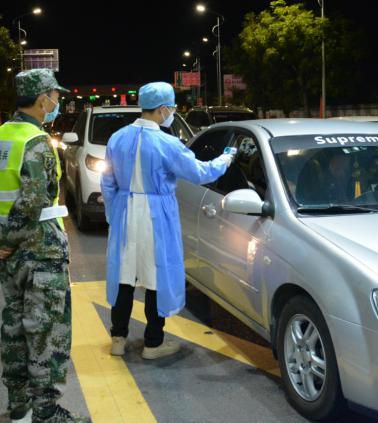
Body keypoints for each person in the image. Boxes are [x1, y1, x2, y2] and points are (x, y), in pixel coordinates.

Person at [101, 82, 234, 360]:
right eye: (172, 108)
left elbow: (108, 182)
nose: (172, 112)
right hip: (156, 215)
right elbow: (200, 173)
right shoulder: (168, 144)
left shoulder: (117, 139)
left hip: (125, 212)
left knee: (124, 275)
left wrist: (114, 216)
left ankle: (118, 338)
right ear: (162, 109)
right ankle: (153, 343)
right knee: (155, 276)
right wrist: (225, 159)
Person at [0, 69, 89, 422]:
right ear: (42, 99)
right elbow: (33, 201)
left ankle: (18, 404)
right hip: (39, 250)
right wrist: (9, 242)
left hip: (8, 254)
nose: (57, 102)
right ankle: (47, 412)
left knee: (13, 327)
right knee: (46, 332)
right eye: (55, 96)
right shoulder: (36, 142)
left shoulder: (3, 135)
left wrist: (2, 242)